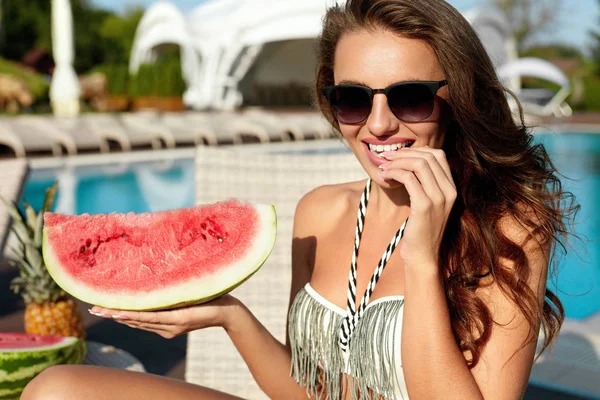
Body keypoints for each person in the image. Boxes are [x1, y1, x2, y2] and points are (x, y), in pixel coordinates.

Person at [22, 0, 578, 399]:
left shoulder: (509, 225)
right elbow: (308, 391)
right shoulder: (319, 210)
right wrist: (230, 316)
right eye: (353, 99)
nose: (378, 126)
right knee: (57, 387)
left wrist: (421, 257)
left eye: (409, 98)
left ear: (457, 101)